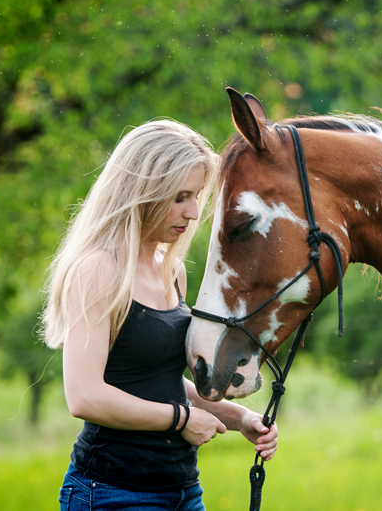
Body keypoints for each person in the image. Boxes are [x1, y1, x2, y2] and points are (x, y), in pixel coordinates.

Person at [40, 119, 278, 510]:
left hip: (182, 490)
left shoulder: (173, 272)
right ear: (141, 191)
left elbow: (157, 382)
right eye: (179, 196)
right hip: (113, 492)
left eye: (197, 196)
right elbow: (84, 396)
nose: (192, 212)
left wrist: (239, 418)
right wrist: (181, 421)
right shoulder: (99, 270)